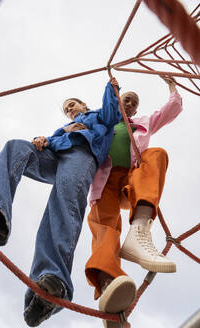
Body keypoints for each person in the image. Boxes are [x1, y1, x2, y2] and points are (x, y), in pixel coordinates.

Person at [0, 78, 132, 327]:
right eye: (66, 109)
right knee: (17, 147)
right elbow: (51, 141)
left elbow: (110, 111)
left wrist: (111, 86)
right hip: (55, 154)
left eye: (73, 105)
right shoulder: (65, 128)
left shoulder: (97, 117)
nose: (70, 110)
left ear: (84, 104)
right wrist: (44, 140)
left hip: (81, 156)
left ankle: (51, 280)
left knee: (64, 203)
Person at [85, 77, 183, 328]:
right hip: (105, 181)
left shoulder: (142, 123)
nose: (129, 104)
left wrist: (172, 87)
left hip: (132, 180)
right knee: (104, 225)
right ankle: (109, 284)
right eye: (126, 99)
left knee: (156, 154)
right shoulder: (104, 121)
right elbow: (77, 128)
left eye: (134, 103)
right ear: (117, 102)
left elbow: (171, 110)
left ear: (136, 110)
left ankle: (139, 231)